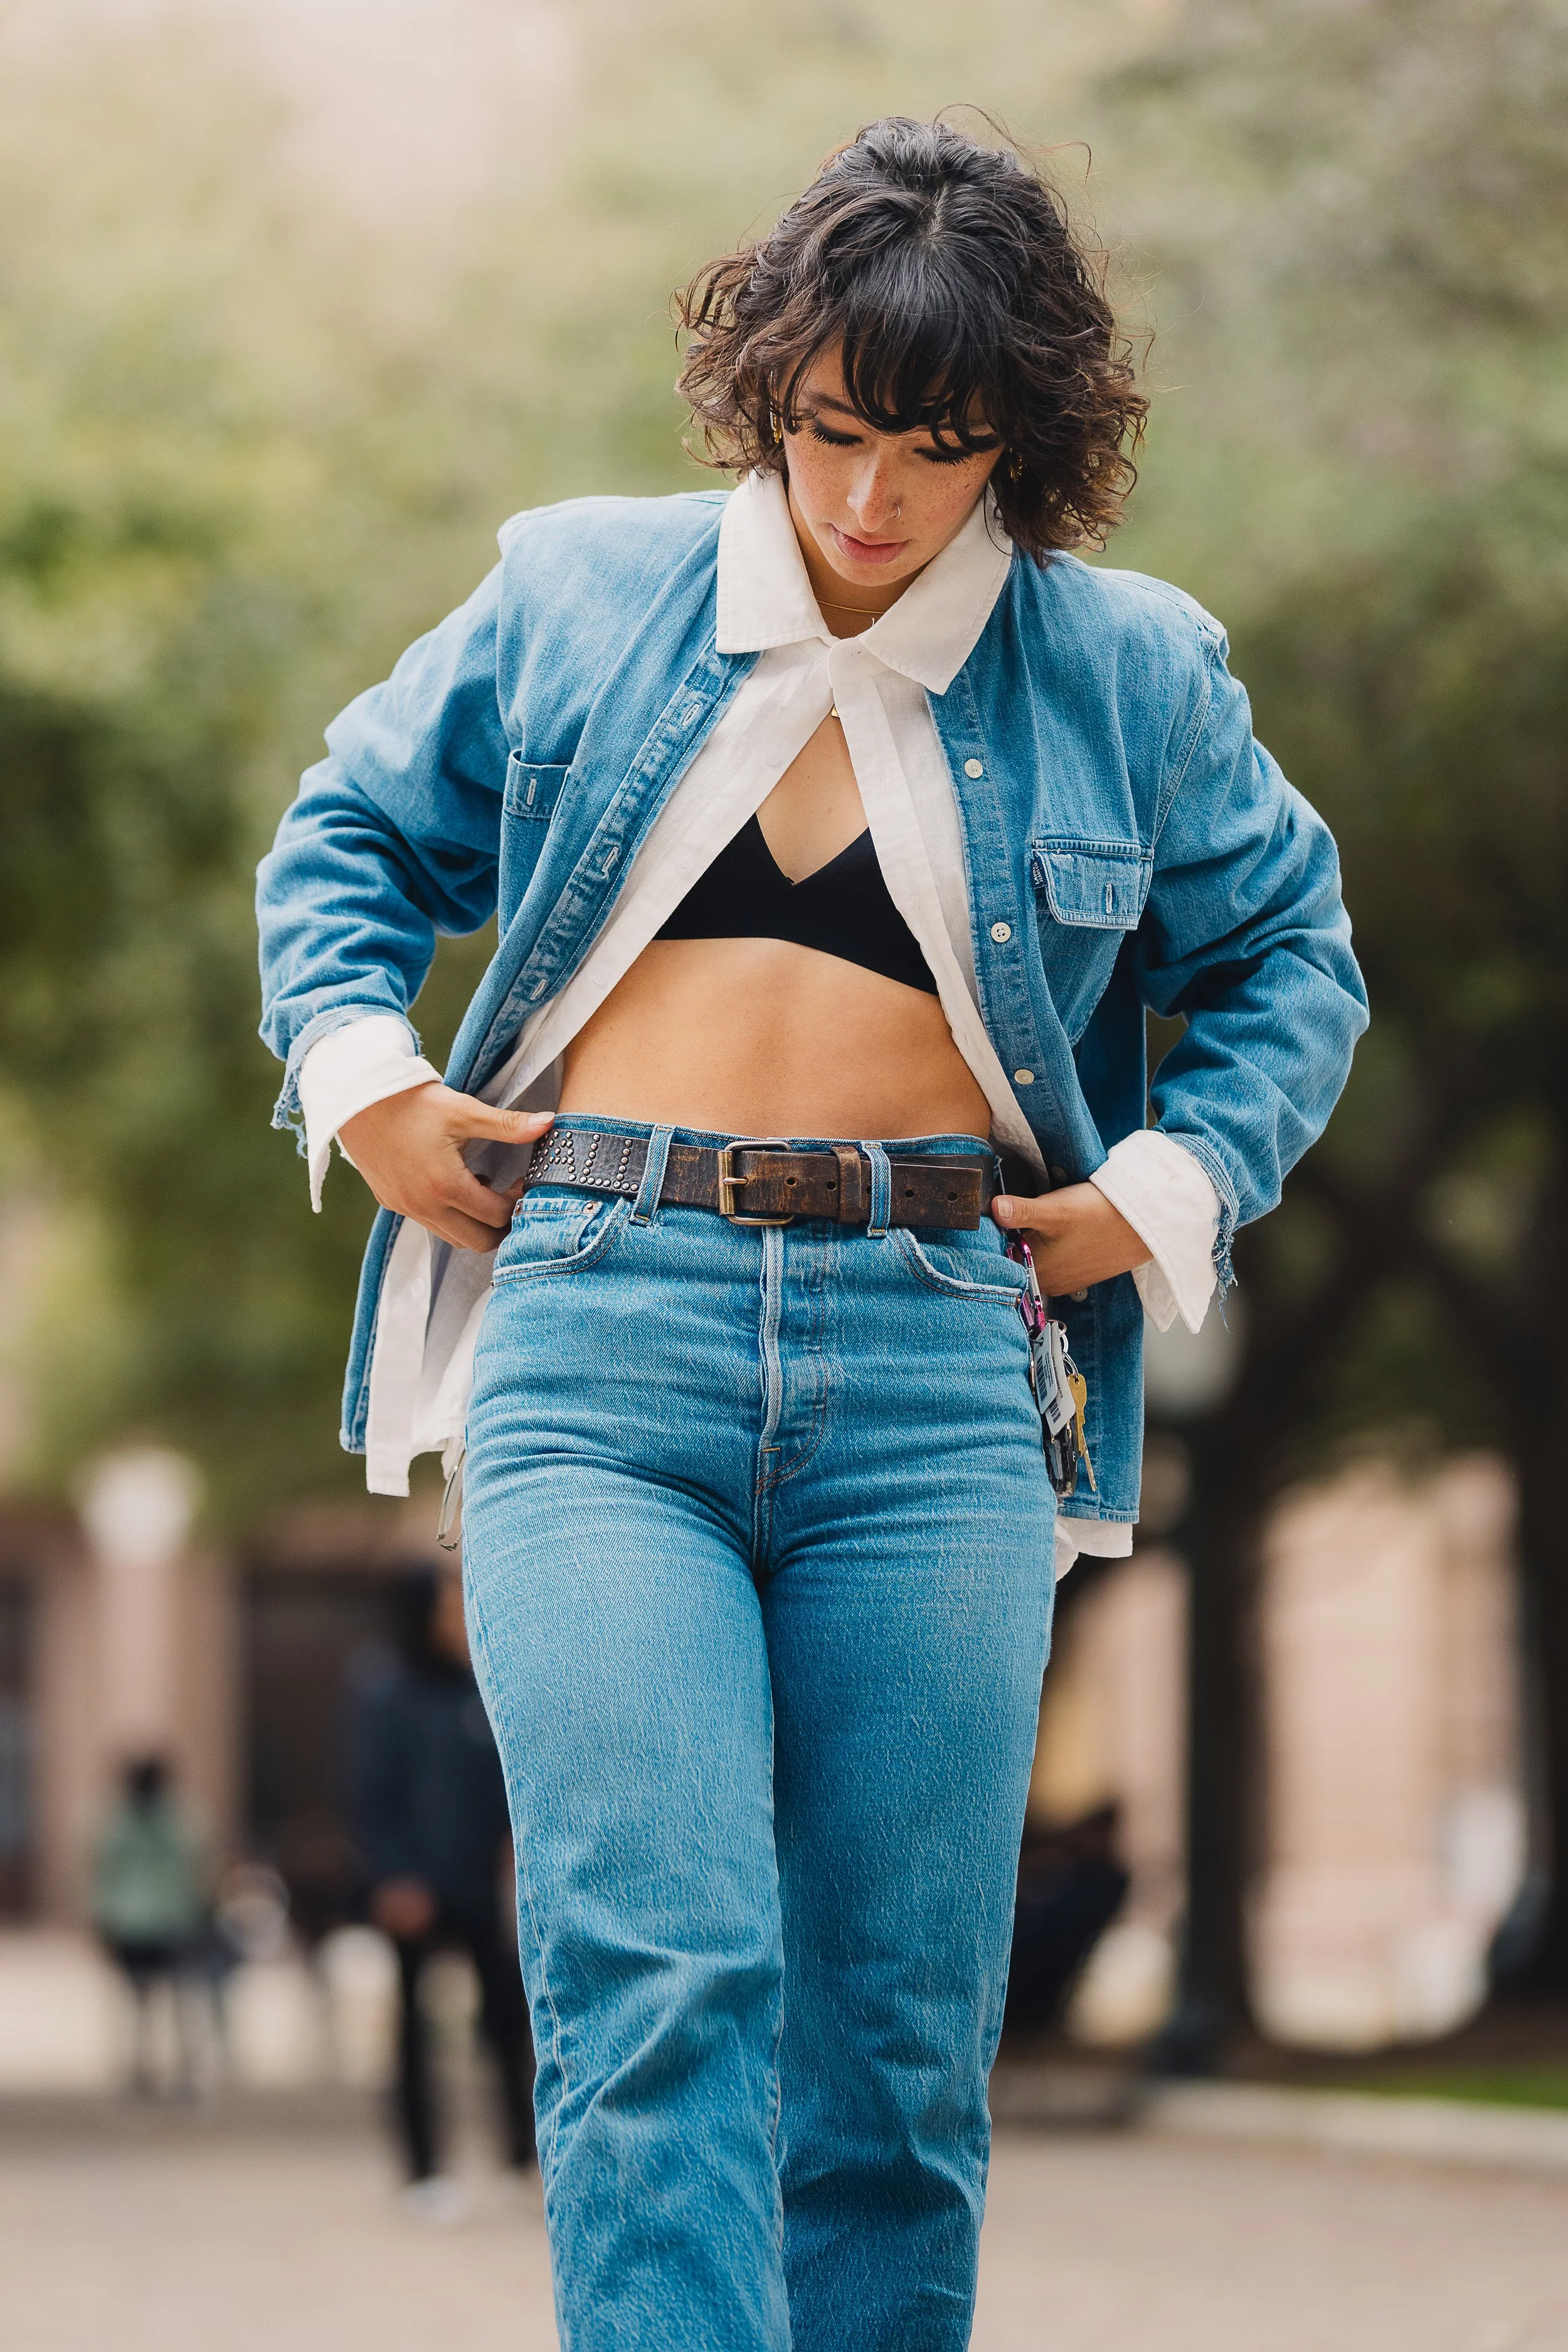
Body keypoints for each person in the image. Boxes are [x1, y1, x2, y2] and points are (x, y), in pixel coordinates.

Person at [257, 117, 1366, 2351]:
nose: (869, 497)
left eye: (934, 449)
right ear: (768, 385)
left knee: (889, 2034)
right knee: (657, 1956)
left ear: (1018, 445)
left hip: (938, 1358)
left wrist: (1160, 1188)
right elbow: (349, 837)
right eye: (836, 428)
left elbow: (1291, 954)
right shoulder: (578, 590)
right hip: (597, 1328)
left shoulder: (1127, 671)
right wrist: (363, 1075)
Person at [351, 1564, 534, 2205]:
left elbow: (496, 1787)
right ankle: (425, 2167)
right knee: (414, 2032)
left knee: (509, 2021)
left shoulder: (475, 1687)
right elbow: (372, 1795)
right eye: (447, 1602)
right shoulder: (385, 1693)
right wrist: (394, 1874)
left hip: (478, 1883)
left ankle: (521, 2155)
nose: (458, 1614)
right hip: (412, 1889)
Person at [90, 1755, 208, 2097]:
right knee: (174, 2002)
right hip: (168, 1919)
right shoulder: (178, 1821)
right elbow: (198, 1868)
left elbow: (103, 1874)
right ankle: (170, 2073)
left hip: (137, 1921)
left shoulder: (121, 1823)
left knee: (145, 2004)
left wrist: (102, 1916)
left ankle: (148, 2073)